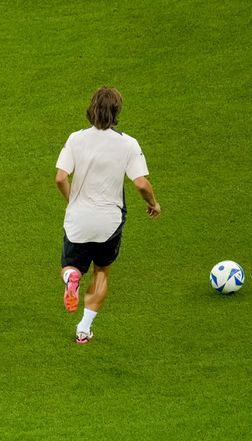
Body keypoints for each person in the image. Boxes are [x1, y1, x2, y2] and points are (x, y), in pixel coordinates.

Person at [55, 87, 161, 344]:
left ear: (91, 108)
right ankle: (83, 328)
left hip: (78, 220)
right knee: (101, 271)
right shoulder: (128, 144)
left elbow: (60, 177)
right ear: (117, 112)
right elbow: (141, 184)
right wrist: (154, 203)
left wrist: (73, 200)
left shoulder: (76, 138)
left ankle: (71, 278)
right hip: (109, 223)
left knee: (70, 266)